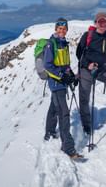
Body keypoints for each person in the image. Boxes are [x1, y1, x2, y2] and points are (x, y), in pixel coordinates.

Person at [43, 17, 83, 159]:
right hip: (55, 82)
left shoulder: (64, 44)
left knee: (55, 107)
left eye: (64, 29)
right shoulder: (50, 44)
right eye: (60, 28)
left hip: (62, 81)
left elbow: (65, 64)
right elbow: (47, 66)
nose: (62, 31)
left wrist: (71, 76)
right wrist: (62, 76)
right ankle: (68, 147)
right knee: (64, 112)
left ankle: (49, 131)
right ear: (56, 29)